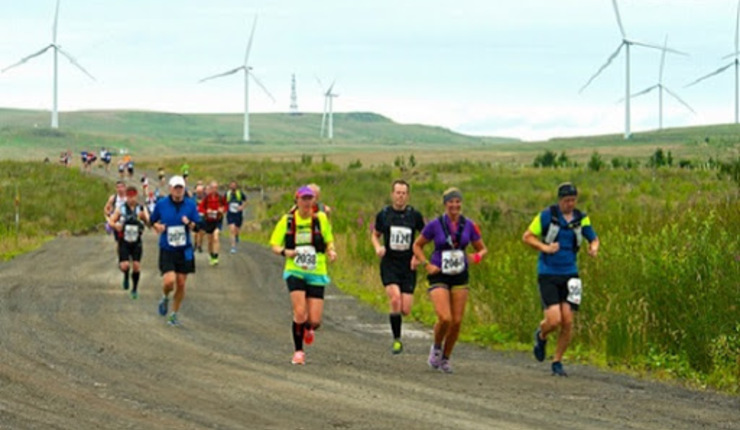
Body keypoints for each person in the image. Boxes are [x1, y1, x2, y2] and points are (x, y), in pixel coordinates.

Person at [522, 182, 599, 377]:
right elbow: (527, 236)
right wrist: (545, 248)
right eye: (567, 200)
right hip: (548, 272)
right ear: (560, 200)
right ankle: (541, 335)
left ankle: (557, 361)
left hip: (571, 274)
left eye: (573, 200)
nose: (570, 204)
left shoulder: (581, 218)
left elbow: (593, 237)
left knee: (568, 321)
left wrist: (594, 247)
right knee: (554, 320)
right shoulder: (547, 216)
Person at [412, 187, 487, 373]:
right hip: (439, 273)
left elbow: (482, 249)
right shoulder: (435, 225)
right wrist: (426, 264)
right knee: (445, 317)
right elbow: (417, 245)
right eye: (451, 202)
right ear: (445, 204)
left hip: (460, 273)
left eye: (458, 202)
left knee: (457, 321)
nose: (455, 205)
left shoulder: (469, 225)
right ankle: (436, 347)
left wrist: (475, 257)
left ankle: (446, 358)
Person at [270, 185, 337, 365]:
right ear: (297, 201)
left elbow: (329, 240)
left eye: (310, 199)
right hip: (295, 270)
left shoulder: (320, 219)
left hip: (317, 271)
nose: (307, 202)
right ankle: (298, 351)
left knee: (314, 320)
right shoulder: (288, 220)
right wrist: (286, 252)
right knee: (299, 312)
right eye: (304, 199)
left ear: (314, 201)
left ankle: (308, 327)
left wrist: (331, 252)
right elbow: (274, 245)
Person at [370, 179, 425, 354]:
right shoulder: (384, 214)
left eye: (403, 193)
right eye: (397, 193)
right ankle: (397, 340)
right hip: (390, 263)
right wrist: (378, 247)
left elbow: (425, 237)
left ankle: (397, 324)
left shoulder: (414, 216)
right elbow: (375, 235)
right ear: (392, 194)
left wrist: (418, 257)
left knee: (405, 309)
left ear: (407, 196)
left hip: (408, 265)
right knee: (395, 299)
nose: (400, 196)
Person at [150, 175, 201, 326]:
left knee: (181, 283)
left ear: (184, 189)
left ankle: (174, 314)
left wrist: (189, 223)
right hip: (167, 248)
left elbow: (198, 226)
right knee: (169, 282)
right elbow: (152, 220)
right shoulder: (162, 204)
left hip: (184, 249)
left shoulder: (190, 205)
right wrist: (157, 227)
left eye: (181, 188)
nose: (178, 191)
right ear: (170, 189)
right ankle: (165, 297)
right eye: (176, 188)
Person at [108, 186, 150, 299]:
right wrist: (115, 225)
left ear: (136, 196)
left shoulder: (141, 208)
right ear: (126, 197)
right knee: (125, 265)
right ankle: (126, 275)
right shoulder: (120, 209)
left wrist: (144, 218)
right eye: (129, 196)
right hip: (124, 241)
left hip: (136, 241)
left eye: (133, 196)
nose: (131, 198)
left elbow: (149, 223)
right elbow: (111, 221)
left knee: (136, 266)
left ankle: (135, 289)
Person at [198, 181, 226, 266]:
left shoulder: (221, 198)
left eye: (216, 188)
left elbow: (226, 206)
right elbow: (200, 208)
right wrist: (206, 211)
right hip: (208, 221)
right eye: (212, 188)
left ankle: (216, 257)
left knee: (216, 237)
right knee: (210, 240)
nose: (214, 189)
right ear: (209, 189)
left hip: (218, 220)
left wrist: (222, 209)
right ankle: (211, 255)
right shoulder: (206, 199)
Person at [225, 181, 247, 254]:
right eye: (231, 185)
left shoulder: (240, 193)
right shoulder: (227, 194)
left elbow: (245, 201)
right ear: (229, 186)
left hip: (238, 214)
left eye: (234, 185)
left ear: (236, 186)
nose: (233, 187)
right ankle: (233, 247)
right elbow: (223, 202)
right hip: (230, 214)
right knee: (232, 229)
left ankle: (237, 235)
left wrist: (242, 207)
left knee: (236, 229)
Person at [191, 183, 207, 253]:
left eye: (201, 191)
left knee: (202, 232)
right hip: (195, 217)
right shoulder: (193, 198)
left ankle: (200, 245)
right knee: (195, 233)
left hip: (203, 217)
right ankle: (195, 244)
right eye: (198, 192)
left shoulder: (206, 198)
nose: (199, 193)